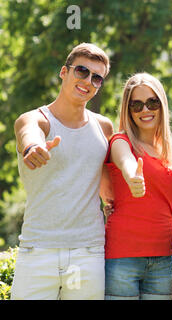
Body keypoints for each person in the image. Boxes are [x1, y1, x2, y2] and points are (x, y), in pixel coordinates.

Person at [12, 43, 113, 299]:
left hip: (87, 252)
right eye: (81, 71)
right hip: (38, 249)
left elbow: (107, 185)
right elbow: (29, 133)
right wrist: (33, 148)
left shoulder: (104, 127)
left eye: (97, 77)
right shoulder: (35, 119)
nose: (88, 81)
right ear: (64, 72)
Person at [103, 73, 172, 300]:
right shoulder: (121, 141)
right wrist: (132, 177)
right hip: (122, 256)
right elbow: (126, 162)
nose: (145, 110)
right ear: (128, 111)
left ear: (162, 105)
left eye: (152, 102)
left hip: (164, 256)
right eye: (136, 105)